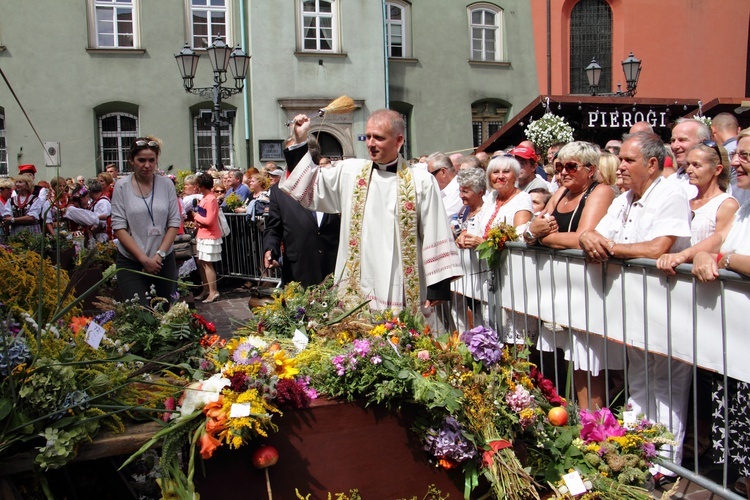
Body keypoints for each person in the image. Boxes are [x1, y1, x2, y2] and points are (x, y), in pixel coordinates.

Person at [579, 131, 692, 482]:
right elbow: (597, 232)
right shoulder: (624, 197)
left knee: (668, 385)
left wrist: (607, 245)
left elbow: (659, 247)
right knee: (639, 379)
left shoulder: (671, 193)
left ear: (653, 164)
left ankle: (667, 463)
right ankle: (639, 450)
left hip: (670, 304)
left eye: (628, 160)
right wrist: (588, 237)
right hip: (634, 306)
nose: (620, 166)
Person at [281, 109, 462, 315]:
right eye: (368, 137)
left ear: (399, 140)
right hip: (358, 276)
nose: (370, 143)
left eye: (378, 138)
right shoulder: (350, 172)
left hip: (400, 279)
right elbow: (310, 184)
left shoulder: (421, 181)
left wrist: (437, 286)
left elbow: (435, 229)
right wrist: (300, 140)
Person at [524, 141, 618, 411]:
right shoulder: (561, 192)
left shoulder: (600, 191)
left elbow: (583, 237)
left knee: (589, 363)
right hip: (562, 289)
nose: (563, 172)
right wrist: (535, 232)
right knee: (569, 360)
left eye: (571, 166)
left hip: (591, 288)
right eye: (559, 166)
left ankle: (596, 426)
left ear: (590, 170)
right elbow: (535, 227)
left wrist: (545, 237)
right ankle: (576, 418)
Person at [457, 155, 533, 343]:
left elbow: (519, 235)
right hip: (488, 275)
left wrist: (483, 242)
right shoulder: (491, 198)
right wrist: (464, 233)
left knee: (513, 336)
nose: (500, 176)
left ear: (515, 176)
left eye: (505, 172)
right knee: (490, 329)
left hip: (512, 274)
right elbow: (477, 220)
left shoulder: (523, 199)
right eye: (495, 172)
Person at [111, 137, 180, 306]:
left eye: (151, 160)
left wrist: (159, 255)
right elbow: (119, 227)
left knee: (164, 313)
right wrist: (143, 259)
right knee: (139, 314)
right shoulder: (122, 186)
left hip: (162, 259)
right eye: (141, 160)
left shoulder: (166, 185)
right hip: (131, 261)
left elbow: (173, 222)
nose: (147, 165)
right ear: (132, 161)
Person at [263, 139, 340, 288]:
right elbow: (273, 228)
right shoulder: (279, 191)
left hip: (332, 265)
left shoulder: (330, 184)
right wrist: (270, 248)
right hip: (298, 269)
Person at [451, 167, 488, 331]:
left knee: (482, 317)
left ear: (479, 192)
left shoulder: (486, 211)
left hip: (481, 278)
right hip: (465, 280)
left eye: (465, 191)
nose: (461, 195)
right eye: (460, 191)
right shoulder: (464, 210)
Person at [188, 172, 222, 303]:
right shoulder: (205, 198)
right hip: (203, 235)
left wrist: (195, 215)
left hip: (210, 236)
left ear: (202, 186)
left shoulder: (211, 199)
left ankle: (213, 292)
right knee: (201, 263)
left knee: (207, 264)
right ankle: (206, 289)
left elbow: (209, 220)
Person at [669, 118, 711, 198]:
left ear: (702, 142)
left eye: (682, 140)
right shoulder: (670, 180)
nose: (675, 146)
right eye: (673, 140)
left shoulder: (711, 182)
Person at [427, 152, 462, 220]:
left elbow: (443, 218)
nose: (429, 179)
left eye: (431, 175)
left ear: (443, 172)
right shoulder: (440, 191)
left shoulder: (459, 190)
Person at [88, 178, 113, 242]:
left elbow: (104, 222)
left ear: (91, 191)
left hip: (102, 236)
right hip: (97, 236)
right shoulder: (94, 201)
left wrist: (91, 231)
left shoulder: (103, 202)